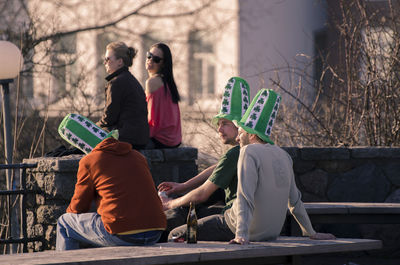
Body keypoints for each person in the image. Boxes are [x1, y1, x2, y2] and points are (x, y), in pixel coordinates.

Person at [168, 89, 336, 243]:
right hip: (271, 233)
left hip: (239, 228)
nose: (239, 138)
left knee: (175, 235)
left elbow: (244, 196)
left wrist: (241, 235)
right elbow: (295, 200)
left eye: (241, 132)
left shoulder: (247, 152)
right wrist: (310, 232)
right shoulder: (284, 155)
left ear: (253, 135)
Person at [157, 77, 250, 241]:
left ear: (239, 126)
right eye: (219, 123)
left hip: (239, 223)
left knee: (175, 235)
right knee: (194, 210)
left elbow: (201, 195)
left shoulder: (236, 153)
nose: (219, 129)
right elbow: (218, 167)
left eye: (225, 123)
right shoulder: (249, 150)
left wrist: (170, 204)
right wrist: (183, 186)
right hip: (255, 221)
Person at [56, 137, 166, 250]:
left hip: (123, 234)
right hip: (156, 231)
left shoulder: (90, 160)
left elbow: (79, 206)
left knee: (65, 222)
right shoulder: (138, 156)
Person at [97, 41, 149, 150]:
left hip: (126, 138)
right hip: (140, 138)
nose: (105, 62)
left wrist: (95, 126)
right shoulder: (130, 79)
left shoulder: (116, 83)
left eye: (108, 59)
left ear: (120, 62)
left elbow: (109, 118)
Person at [145, 43, 181, 149]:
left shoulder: (152, 82)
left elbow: (152, 120)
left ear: (163, 64)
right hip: (175, 140)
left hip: (161, 139)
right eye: (149, 56)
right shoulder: (168, 83)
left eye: (156, 59)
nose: (150, 60)